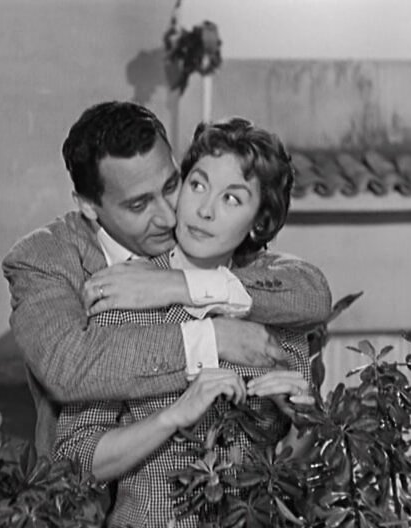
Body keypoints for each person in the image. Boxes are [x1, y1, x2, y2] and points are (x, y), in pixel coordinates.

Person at [2, 101, 331, 457]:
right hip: (84, 484)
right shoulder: (41, 258)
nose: (168, 217)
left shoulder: (198, 229)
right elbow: (68, 367)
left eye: (172, 185)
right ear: (87, 206)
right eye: (139, 205)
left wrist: (178, 285)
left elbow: (306, 291)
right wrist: (214, 338)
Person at [52, 117, 315, 527]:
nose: (205, 210)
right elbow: (75, 458)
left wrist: (302, 426)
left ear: (259, 222)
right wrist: (172, 416)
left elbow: (292, 471)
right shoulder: (128, 293)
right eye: (197, 185)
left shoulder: (276, 314)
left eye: (232, 199)